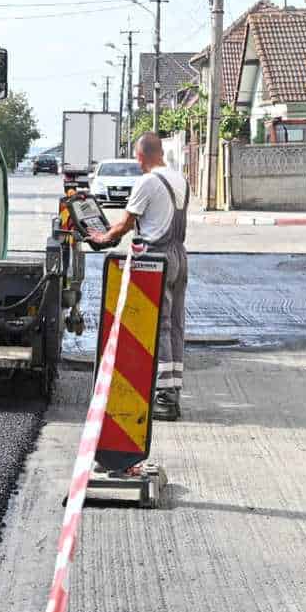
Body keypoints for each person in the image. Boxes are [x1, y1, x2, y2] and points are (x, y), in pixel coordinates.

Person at [86, 132, 189, 421]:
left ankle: (165, 400)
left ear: (142, 155)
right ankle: (172, 392)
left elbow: (125, 224)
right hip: (179, 256)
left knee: (161, 326)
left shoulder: (147, 182)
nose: (136, 160)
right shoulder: (180, 179)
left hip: (155, 258)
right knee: (176, 325)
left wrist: (101, 237)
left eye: (136, 155)